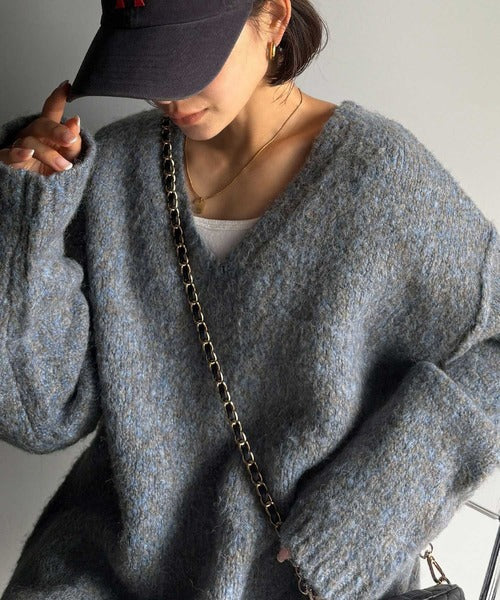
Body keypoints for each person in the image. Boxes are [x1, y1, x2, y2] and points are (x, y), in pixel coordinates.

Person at [0, 1, 498, 599]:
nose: (167, 94)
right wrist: (28, 220)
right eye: (148, 63)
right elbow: (40, 417)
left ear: (274, 19)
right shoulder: (113, 169)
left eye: (187, 58)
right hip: (99, 575)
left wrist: (380, 506)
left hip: (295, 584)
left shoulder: (380, 178)